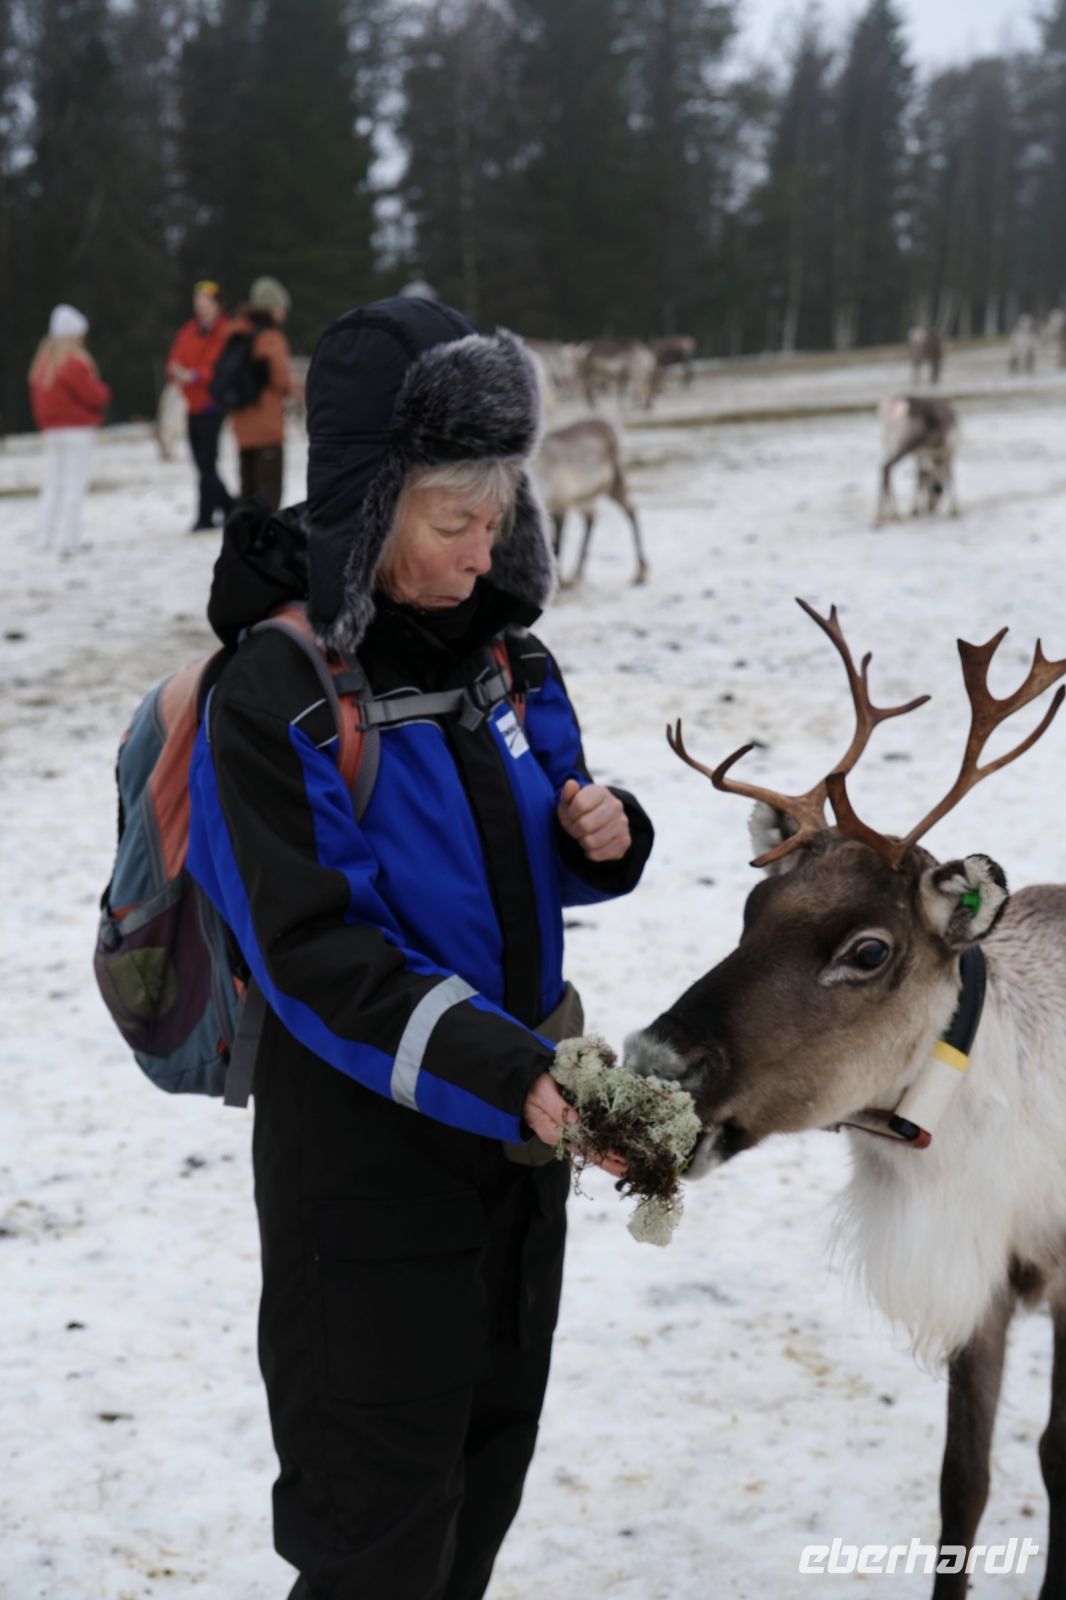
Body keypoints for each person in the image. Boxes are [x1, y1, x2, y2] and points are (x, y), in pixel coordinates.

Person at [186, 296, 654, 1600]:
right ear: (370, 505)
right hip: (368, 1179)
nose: (481, 546)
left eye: (498, 515)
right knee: (375, 1537)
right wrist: (507, 1069)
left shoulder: (504, 657)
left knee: (480, 1491)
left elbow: (536, 837)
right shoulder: (273, 694)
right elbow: (320, 951)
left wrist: (604, 835)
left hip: (516, 1155)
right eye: (452, 521)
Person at [28, 303, 111, 558]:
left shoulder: (42, 365)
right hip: (78, 431)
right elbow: (94, 395)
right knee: (74, 486)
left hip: (51, 432)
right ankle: (69, 541)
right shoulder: (75, 363)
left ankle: (42, 539)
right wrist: (103, 393)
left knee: (52, 485)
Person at [165, 278, 234, 531]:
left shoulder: (225, 330)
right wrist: (175, 370)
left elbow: (218, 366)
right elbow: (174, 359)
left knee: (206, 461)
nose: (201, 307)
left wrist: (194, 375)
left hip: (212, 404)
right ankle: (228, 506)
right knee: (202, 463)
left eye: (206, 302)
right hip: (192, 405)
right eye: (198, 302)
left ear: (218, 305)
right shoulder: (188, 331)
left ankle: (206, 515)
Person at [228, 274, 295, 510]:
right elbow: (282, 381)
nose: (283, 313)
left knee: (248, 494)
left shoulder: (236, 332)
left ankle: (244, 543)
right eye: (281, 307)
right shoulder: (271, 338)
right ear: (272, 307)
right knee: (269, 495)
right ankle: (264, 544)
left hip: (241, 426)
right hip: (267, 427)